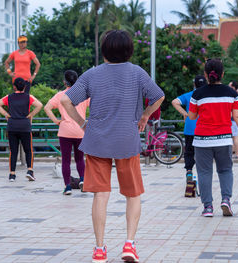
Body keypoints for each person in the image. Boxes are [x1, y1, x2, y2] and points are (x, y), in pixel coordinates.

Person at [60, 30, 164, 263]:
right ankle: (129, 244)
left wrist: (82, 124)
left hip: (97, 140)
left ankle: (99, 249)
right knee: (133, 194)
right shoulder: (137, 73)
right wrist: (145, 115)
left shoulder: (91, 74)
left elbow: (66, 100)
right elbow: (158, 95)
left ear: (105, 50)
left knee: (101, 195)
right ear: (129, 50)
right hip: (127, 139)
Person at [188, 59, 238, 217]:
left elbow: (191, 116)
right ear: (222, 74)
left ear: (205, 74)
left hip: (202, 140)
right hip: (223, 139)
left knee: (204, 172)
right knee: (225, 170)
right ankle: (225, 200)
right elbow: (237, 116)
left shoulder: (197, 94)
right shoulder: (232, 94)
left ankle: (208, 207)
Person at [44, 70, 90, 195]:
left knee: (66, 160)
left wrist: (56, 120)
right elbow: (95, 105)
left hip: (65, 131)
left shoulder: (60, 95)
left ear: (64, 82)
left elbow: (46, 107)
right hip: (80, 130)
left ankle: (68, 187)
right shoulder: (84, 95)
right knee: (80, 158)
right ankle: (82, 180)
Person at [0, 77, 43, 182]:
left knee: (13, 151)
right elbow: (39, 105)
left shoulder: (9, 97)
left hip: (12, 126)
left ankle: (12, 174)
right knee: (28, 150)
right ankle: (29, 170)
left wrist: (7, 115)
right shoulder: (29, 97)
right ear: (25, 87)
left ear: (14, 86)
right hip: (25, 126)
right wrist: (31, 115)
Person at [171, 75, 207, 192]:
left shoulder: (189, 95)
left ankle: (189, 173)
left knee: (189, 152)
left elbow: (174, 102)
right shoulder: (208, 95)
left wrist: (185, 114)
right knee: (203, 153)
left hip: (190, 129)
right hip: (204, 129)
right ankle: (203, 177)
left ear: (194, 84)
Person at [228, 81, 238, 158]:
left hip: (232, 119)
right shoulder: (236, 96)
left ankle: (236, 154)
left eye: (229, 85)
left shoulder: (232, 95)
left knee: (234, 137)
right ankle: (235, 153)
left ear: (233, 87)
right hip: (235, 119)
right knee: (234, 136)